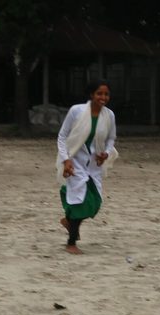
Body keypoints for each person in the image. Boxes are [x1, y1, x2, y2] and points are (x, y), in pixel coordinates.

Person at [56, 80, 118, 255]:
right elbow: (62, 136)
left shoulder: (109, 115)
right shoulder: (77, 111)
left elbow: (111, 138)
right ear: (92, 94)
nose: (103, 97)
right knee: (79, 202)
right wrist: (65, 159)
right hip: (75, 162)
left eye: (106, 94)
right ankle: (71, 242)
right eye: (99, 93)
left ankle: (68, 221)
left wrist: (105, 153)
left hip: (94, 164)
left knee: (95, 203)